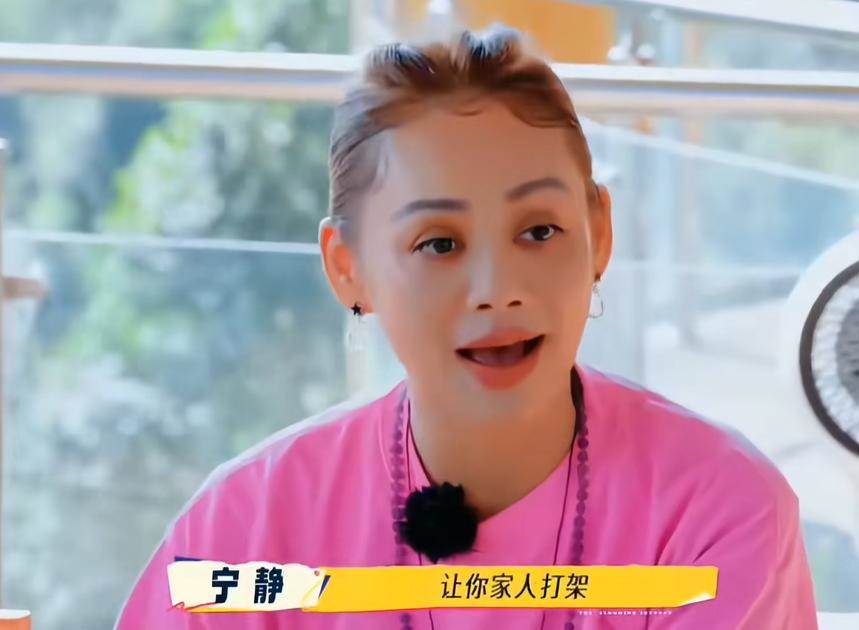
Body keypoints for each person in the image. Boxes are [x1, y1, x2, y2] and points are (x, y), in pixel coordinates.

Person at [114, 25, 819, 629]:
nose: (497, 290)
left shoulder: (718, 514)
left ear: (598, 234)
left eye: (538, 231)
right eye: (439, 244)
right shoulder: (243, 530)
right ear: (347, 267)